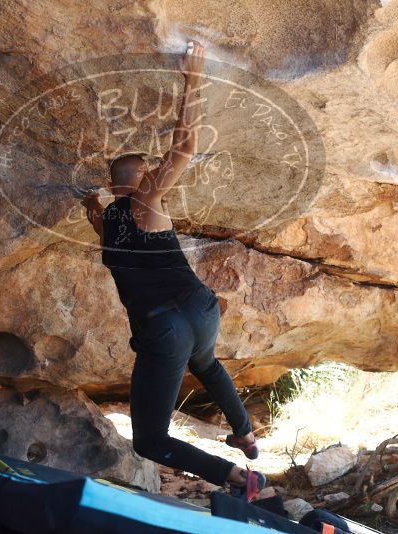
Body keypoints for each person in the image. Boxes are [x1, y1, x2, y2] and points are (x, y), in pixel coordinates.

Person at [81, 40, 265, 501]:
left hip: (164, 329)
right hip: (199, 310)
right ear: (143, 178)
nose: (154, 169)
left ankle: (237, 477)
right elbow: (183, 147)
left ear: (110, 186)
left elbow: (99, 217)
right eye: (148, 167)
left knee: (150, 440)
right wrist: (192, 77)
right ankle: (244, 436)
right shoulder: (146, 202)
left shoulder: (111, 219)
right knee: (205, 362)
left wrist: (89, 201)